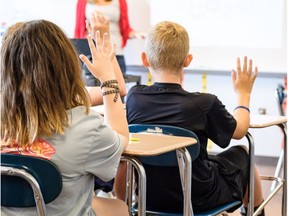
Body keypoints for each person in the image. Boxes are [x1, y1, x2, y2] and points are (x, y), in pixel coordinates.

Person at [125, 21, 265, 215]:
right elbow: (240, 130)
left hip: (148, 199)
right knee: (244, 155)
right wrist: (243, 93)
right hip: (199, 199)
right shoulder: (204, 104)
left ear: (145, 59)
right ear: (188, 60)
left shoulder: (134, 99)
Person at [1, 17, 129, 216]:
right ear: (67, 65)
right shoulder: (86, 127)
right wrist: (107, 79)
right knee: (120, 208)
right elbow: (121, 139)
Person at [74, 0, 143, 85]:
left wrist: (136, 34)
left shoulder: (120, 2)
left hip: (115, 52)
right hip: (93, 54)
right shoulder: (83, 2)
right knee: (94, 92)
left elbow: (126, 29)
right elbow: (78, 30)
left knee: (118, 90)